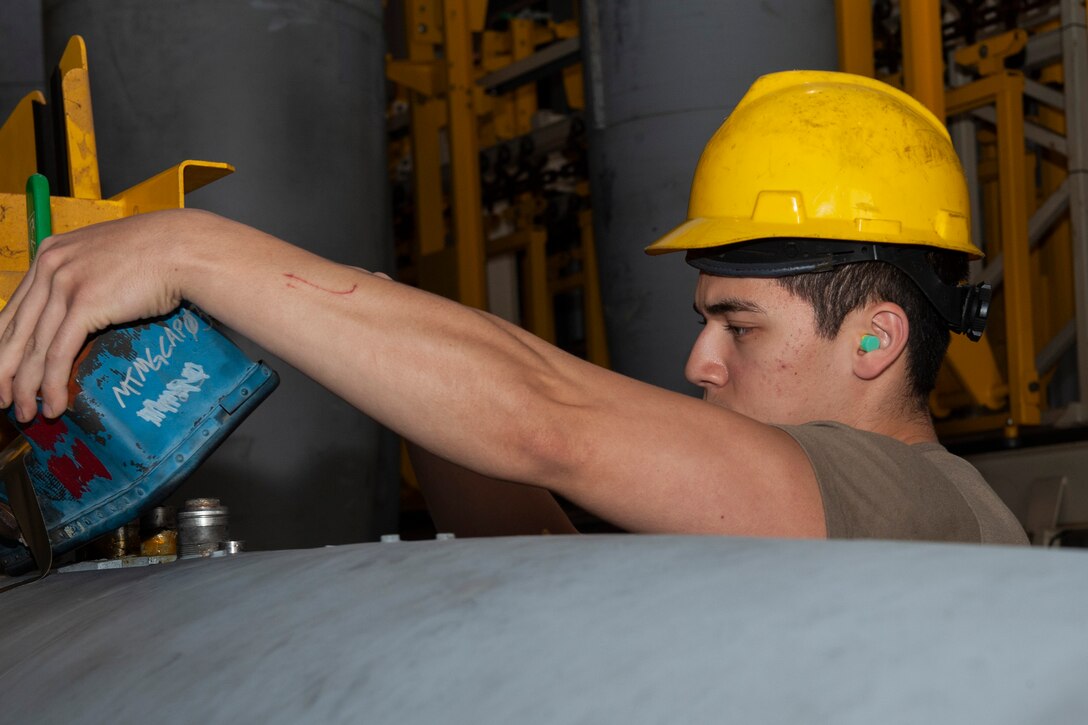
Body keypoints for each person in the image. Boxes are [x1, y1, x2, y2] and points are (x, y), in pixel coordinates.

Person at [0, 71, 1026, 545]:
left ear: (873, 339)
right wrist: (379, 336)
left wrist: (195, 249)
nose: (699, 360)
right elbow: (537, 562)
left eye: (739, 324)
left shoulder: (918, 514)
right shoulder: (785, 524)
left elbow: (548, 423)